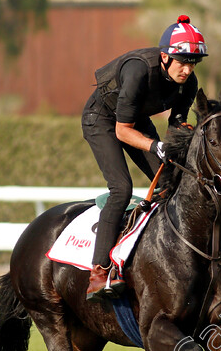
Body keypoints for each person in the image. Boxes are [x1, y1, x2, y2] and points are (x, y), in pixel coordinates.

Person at [81, 15, 208, 302]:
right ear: (164, 57)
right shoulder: (139, 71)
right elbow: (122, 131)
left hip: (135, 121)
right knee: (121, 188)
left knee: (169, 181)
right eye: (182, 62)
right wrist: (155, 146)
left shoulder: (188, 83)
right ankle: (99, 272)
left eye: (193, 63)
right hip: (102, 120)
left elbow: (176, 126)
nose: (188, 70)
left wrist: (183, 144)